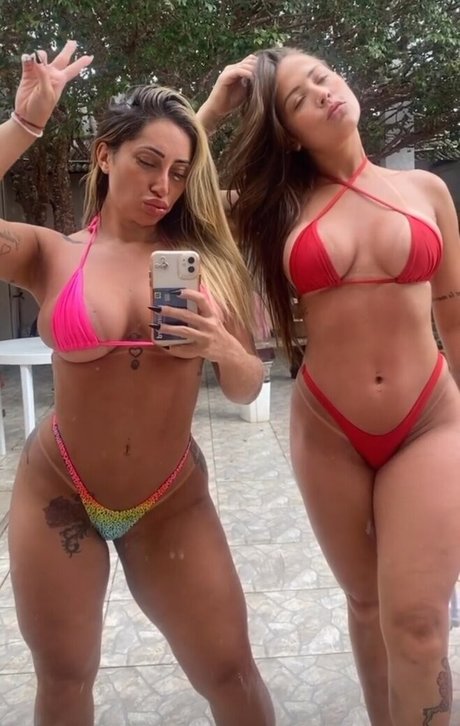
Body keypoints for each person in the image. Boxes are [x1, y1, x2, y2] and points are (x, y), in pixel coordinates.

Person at [3, 41, 275, 725]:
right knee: (65, 678)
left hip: (169, 499)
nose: (163, 186)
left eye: (179, 173)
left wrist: (222, 347)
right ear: (105, 156)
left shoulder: (205, 261)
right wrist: (24, 125)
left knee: (231, 672)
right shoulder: (51, 253)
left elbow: (246, 387)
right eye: (147, 162)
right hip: (59, 490)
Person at [198, 47, 460, 725]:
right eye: (297, 98)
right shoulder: (272, 209)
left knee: (419, 623)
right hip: (329, 430)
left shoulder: (426, 190)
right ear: (288, 134)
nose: (321, 92)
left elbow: (453, 312)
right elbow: (175, 198)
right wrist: (214, 111)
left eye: (322, 76)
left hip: (429, 419)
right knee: (367, 605)